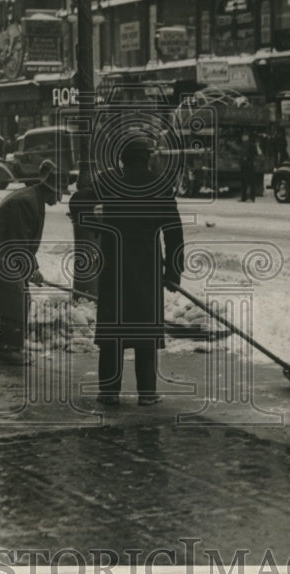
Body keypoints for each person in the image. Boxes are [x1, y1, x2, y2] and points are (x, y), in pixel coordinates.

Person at [72, 136, 185, 405]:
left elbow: (77, 203)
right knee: (145, 332)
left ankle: (109, 392)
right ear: (146, 158)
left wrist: (98, 226)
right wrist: (172, 273)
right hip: (147, 269)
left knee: (113, 331)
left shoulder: (109, 183)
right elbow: (174, 234)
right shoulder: (160, 187)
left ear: (123, 159)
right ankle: (147, 393)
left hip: (114, 268)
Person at [0, 159, 64, 366]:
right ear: (51, 190)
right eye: (60, 192)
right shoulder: (27, 202)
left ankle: (12, 347)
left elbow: (24, 241)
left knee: (21, 296)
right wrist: (31, 269)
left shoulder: (35, 199)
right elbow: (18, 240)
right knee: (15, 297)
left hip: (5, 250)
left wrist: (32, 268)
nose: (61, 197)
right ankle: (7, 352)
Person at [238, 131, 259, 202]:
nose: (242, 137)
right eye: (242, 136)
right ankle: (244, 198)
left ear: (247, 137)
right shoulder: (242, 144)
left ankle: (252, 198)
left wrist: (247, 158)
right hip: (243, 165)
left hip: (249, 165)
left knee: (250, 181)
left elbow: (254, 154)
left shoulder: (251, 145)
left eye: (244, 136)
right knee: (244, 182)